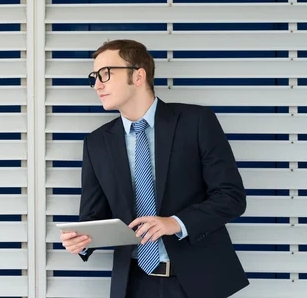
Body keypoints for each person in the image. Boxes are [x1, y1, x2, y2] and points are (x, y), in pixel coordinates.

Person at [60, 39, 249, 298]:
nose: (97, 84)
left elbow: (231, 197)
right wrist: (81, 242)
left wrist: (175, 222)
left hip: (198, 281)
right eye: (94, 77)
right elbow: (94, 217)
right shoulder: (96, 143)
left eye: (105, 73)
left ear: (138, 75)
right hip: (133, 283)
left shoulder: (196, 122)